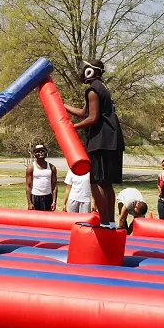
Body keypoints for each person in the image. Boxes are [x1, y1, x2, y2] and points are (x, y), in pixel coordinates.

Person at [64, 59, 125, 228]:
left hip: (101, 141)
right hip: (112, 141)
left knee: (96, 181)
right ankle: (111, 222)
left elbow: (92, 118)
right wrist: (63, 106)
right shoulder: (102, 87)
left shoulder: (92, 91)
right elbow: (85, 112)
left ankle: (105, 222)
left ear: (90, 71)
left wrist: (72, 128)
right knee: (106, 183)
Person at [26, 144, 58, 211]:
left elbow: (54, 186)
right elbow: (28, 186)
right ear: (34, 153)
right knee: (35, 219)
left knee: (48, 219)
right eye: (38, 151)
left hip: (48, 197)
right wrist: (29, 202)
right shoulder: (30, 168)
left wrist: (54, 202)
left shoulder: (52, 168)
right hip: (35, 197)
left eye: (42, 151)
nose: (40, 153)